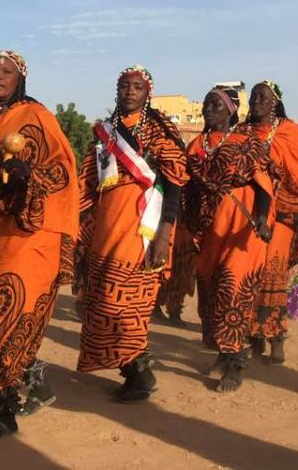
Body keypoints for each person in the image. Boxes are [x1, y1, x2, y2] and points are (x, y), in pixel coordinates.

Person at [0, 50, 77, 440]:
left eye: (7, 71)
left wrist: (30, 173)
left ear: (20, 79)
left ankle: (4, 409)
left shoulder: (35, 116)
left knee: (4, 319)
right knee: (8, 318)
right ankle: (35, 382)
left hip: (31, 235)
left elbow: (62, 168)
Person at [74, 65, 188, 403]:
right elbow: (88, 181)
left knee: (126, 305)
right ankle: (131, 370)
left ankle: (141, 372)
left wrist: (164, 232)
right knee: (101, 301)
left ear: (147, 92)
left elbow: (175, 183)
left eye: (137, 87)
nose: (129, 92)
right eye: (124, 86)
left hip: (142, 227)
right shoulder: (105, 131)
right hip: (106, 226)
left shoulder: (158, 128)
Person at [182, 87, 273, 392]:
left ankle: (236, 363)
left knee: (232, 290)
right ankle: (223, 352)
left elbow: (263, 185)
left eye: (215, 105)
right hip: (209, 230)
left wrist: (262, 218)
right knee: (211, 293)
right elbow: (187, 188)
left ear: (231, 110)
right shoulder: (196, 145)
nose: (207, 109)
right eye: (206, 104)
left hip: (241, 226)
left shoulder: (248, 143)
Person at [241, 80, 298, 364]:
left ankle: (276, 336)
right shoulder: (241, 132)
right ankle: (252, 334)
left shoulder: (289, 130)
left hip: (283, 212)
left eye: (262, 97)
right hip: (248, 211)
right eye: (253, 97)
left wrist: (273, 174)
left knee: (273, 273)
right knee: (249, 272)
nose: (256, 101)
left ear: (275, 102)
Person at [152, 223, 196, 327]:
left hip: (189, 228)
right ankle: (155, 304)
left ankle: (174, 309)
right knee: (165, 266)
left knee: (183, 270)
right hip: (172, 227)